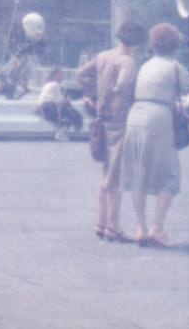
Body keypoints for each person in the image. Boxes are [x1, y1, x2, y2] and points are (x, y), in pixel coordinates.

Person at [118, 23, 189, 248]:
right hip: (158, 119)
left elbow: (161, 97)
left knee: (138, 172)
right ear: (175, 45)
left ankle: (140, 228)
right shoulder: (174, 67)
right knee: (170, 173)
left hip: (136, 116)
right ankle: (157, 228)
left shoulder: (146, 65)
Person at [76, 20, 147, 244]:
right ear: (136, 41)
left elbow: (81, 74)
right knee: (115, 173)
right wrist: (117, 96)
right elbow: (124, 85)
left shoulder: (103, 56)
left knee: (107, 169)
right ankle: (113, 226)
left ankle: (101, 221)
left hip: (102, 117)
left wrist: (94, 95)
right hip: (120, 118)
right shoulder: (128, 61)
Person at [36, 68, 82, 141]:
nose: (62, 77)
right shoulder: (55, 85)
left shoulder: (48, 84)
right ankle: (61, 133)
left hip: (44, 107)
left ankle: (62, 132)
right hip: (49, 107)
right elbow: (59, 101)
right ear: (55, 76)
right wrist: (68, 101)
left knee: (70, 113)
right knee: (73, 114)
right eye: (60, 75)